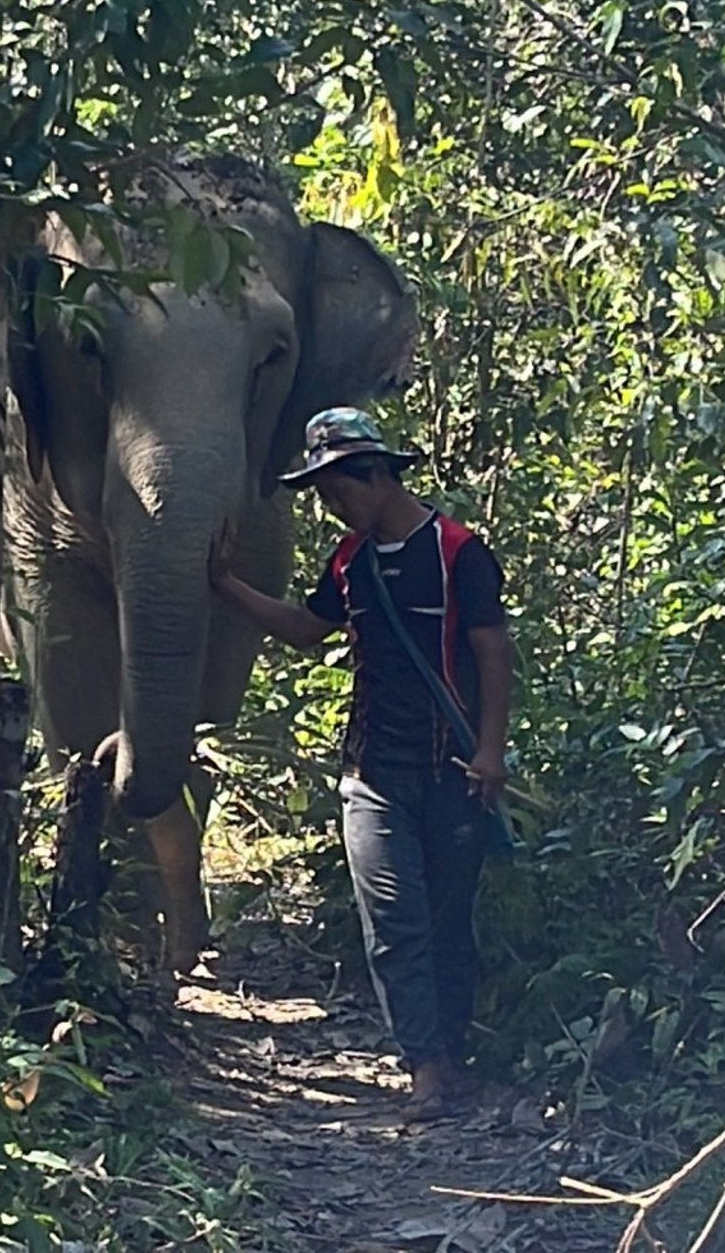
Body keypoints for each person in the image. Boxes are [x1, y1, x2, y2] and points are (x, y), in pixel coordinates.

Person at [210, 406, 513, 1124]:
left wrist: (491, 748)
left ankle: (455, 1053)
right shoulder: (350, 564)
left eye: (337, 489)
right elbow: (308, 631)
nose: (330, 505)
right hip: (371, 775)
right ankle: (425, 1069)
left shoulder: (457, 552)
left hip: (451, 770)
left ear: (377, 475)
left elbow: (492, 651)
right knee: (394, 923)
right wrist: (224, 585)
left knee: (446, 920)